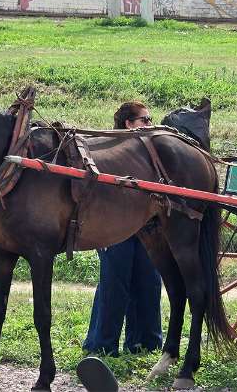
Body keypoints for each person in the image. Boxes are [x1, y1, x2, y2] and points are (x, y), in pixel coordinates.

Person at [83, 101, 162, 357]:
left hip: (144, 226)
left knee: (148, 281)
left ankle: (145, 343)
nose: (150, 124)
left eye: (150, 120)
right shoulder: (111, 150)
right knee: (114, 284)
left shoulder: (149, 151)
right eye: (145, 120)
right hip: (114, 226)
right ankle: (101, 344)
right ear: (129, 124)